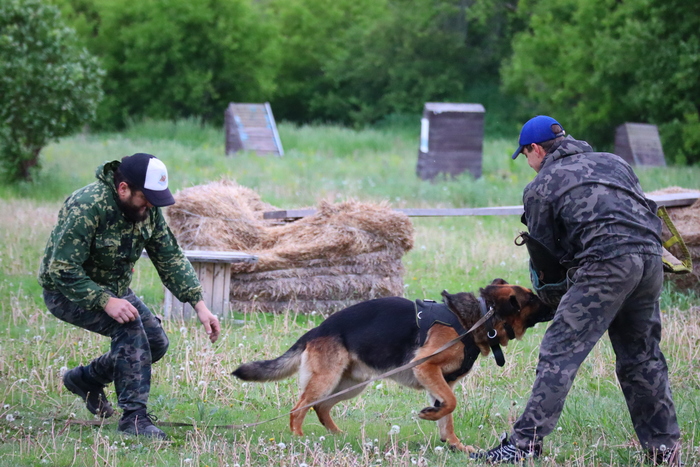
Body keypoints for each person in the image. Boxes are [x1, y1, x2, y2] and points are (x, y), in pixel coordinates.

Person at [472, 116, 681, 465]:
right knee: (642, 358)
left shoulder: (541, 185)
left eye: (526, 156)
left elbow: (546, 258)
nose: (529, 163)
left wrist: (550, 302)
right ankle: (664, 450)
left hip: (606, 264)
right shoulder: (615, 162)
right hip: (650, 261)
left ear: (535, 149)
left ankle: (523, 446)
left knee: (559, 352)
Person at [38, 153, 221, 439]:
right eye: (146, 197)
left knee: (155, 343)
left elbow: (169, 257)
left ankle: (86, 379)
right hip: (67, 292)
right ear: (123, 188)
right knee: (130, 328)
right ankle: (133, 419)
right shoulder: (87, 206)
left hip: (116, 291)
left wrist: (199, 304)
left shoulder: (147, 209)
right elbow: (62, 269)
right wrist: (105, 301)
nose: (151, 205)